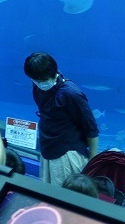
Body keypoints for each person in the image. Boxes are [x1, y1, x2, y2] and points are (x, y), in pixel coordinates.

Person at [24, 52, 99, 184]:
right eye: (36, 80)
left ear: (54, 73)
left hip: (68, 154)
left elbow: (91, 128)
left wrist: (93, 162)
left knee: (67, 197)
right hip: (48, 149)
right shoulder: (38, 86)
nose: (40, 84)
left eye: (43, 80)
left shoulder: (71, 94)